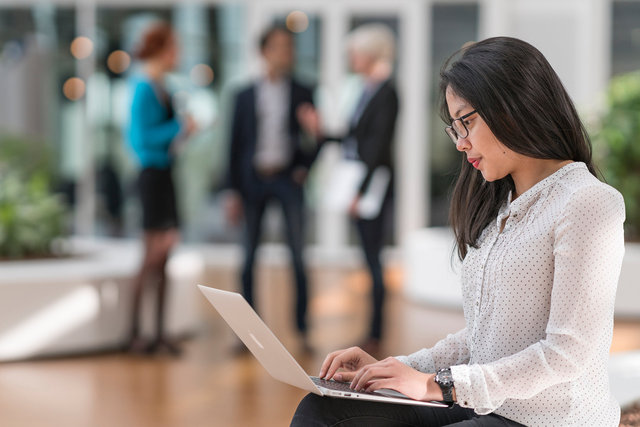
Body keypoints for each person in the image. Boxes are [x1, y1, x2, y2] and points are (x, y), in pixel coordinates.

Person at [290, 36, 625, 426]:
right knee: (325, 409)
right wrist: (395, 368)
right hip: (483, 402)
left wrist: (440, 386)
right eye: (454, 127)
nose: (461, 143)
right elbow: (483, 336)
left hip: (546, 419)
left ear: (513, 105)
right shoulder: (499, 202)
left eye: (466, 121)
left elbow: (567, 353)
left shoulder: (587, 202)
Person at [297, 24, 399, 356]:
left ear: (369, 54)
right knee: (367, 259)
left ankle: (376, 333)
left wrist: (360, 189)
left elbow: (377, 146)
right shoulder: (367, 89)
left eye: (354, 53)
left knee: (373, 260)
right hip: (361, 183)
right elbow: (354, 137)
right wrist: (322, 132)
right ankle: (371, 331)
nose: (351, 59)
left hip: (372, 187)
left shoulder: (387, 91)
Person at [224, 25, 316, 348]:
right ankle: (247, 334)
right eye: (278, 47)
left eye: (289, 47)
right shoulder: (243, 95)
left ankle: (302, 331)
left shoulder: (304, 91)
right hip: (253, 182)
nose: (285, 53)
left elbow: (316, 135)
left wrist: (305, 167)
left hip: (287, 180)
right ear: (264, 51)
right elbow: (233, 146)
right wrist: (231, 191)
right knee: (248, 257)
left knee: (297, 256)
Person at [125, 22, 195, 355]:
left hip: (165, 174)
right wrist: (179, 126)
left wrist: (182, 133)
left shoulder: (161, 86)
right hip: (151, 176)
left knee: (165, 258)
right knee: (152, 255)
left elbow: (163, 137)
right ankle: (135, 333)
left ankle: (159, 332)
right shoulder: (143, 87)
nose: (177, 54)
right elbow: (141, 139)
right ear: (160, 49)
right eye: (173, 47)